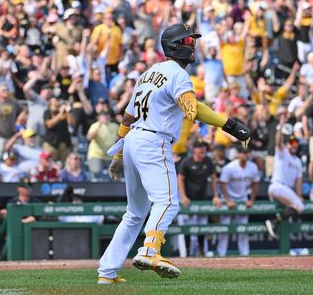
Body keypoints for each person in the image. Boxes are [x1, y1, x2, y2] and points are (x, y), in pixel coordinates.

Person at [97, 23, 250, 284]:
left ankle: (107, 272)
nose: (193, 46)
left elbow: (129, 115)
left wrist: (120, 152)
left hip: (134, 139)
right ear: (174, 46)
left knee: (134, 213)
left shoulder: (148, 73)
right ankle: (150, 250)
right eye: (188, 42)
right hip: (154, 141)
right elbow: (193, 108)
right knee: (168, 201)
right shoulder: (177, 74)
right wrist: (228, 124)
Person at [177, 141, 220, 257]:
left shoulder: (208, 161)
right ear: (194, 150)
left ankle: (201, 251)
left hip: (202, 198)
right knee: (187, 228)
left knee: (202, 226)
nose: (202, 151)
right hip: (188, 199)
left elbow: (214, 178)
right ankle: (186, 252)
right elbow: (180, 178)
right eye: (200, 149)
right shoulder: (186, 162)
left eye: (203, 149)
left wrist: (216, 195)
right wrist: (183, 196)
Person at [265, 113, 304, 240]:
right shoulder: (283, 153)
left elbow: (299, 180)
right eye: (291, 142)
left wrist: (299, 194)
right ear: (288, 144)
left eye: (296, 143)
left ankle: (277, 219)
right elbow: (278, 142)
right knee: (299, 207)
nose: (294, 145)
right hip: (277, 185)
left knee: (299, 205)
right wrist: (280, 126)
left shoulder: (298, 161)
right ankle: (274, 221)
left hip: (287, 190)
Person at [218, 147, 260, 256]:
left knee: (243, 228)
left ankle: (244, 253)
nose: (244, 155)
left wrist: (251, 200)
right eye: (242, 153)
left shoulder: (253, 167)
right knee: (224, 227)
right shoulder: (230, 167)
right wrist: (227, 200)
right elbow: (222, 184)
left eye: (246, 153)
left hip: (242, 199)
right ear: (238, 154)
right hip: (228, 199)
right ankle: (221, 253)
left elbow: (256, 183)